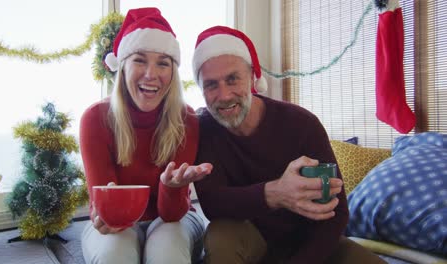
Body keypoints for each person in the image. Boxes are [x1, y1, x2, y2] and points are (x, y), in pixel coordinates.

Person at [191, 26, 386, 264]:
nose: (224, 95)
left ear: (252, 76)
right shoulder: (204, 130)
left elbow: (336, 213)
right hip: (251, 241)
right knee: (221, 234)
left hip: (309, 244)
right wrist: (276, 193)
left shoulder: (301, 124)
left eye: (233, 79)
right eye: (211, 85)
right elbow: (213, 203)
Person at [79, 8, 212, 264]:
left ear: (172, 73)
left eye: (163, 63)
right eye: (140, 60)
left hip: (176, 218)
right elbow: (105, 207)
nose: (151, 74)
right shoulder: (95, 119)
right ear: (123, 67)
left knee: (167, 252)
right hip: (119, 223)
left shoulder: (186, 120)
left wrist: (172, 188)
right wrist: (104, 215)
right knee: (114, 254)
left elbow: (172, 213)